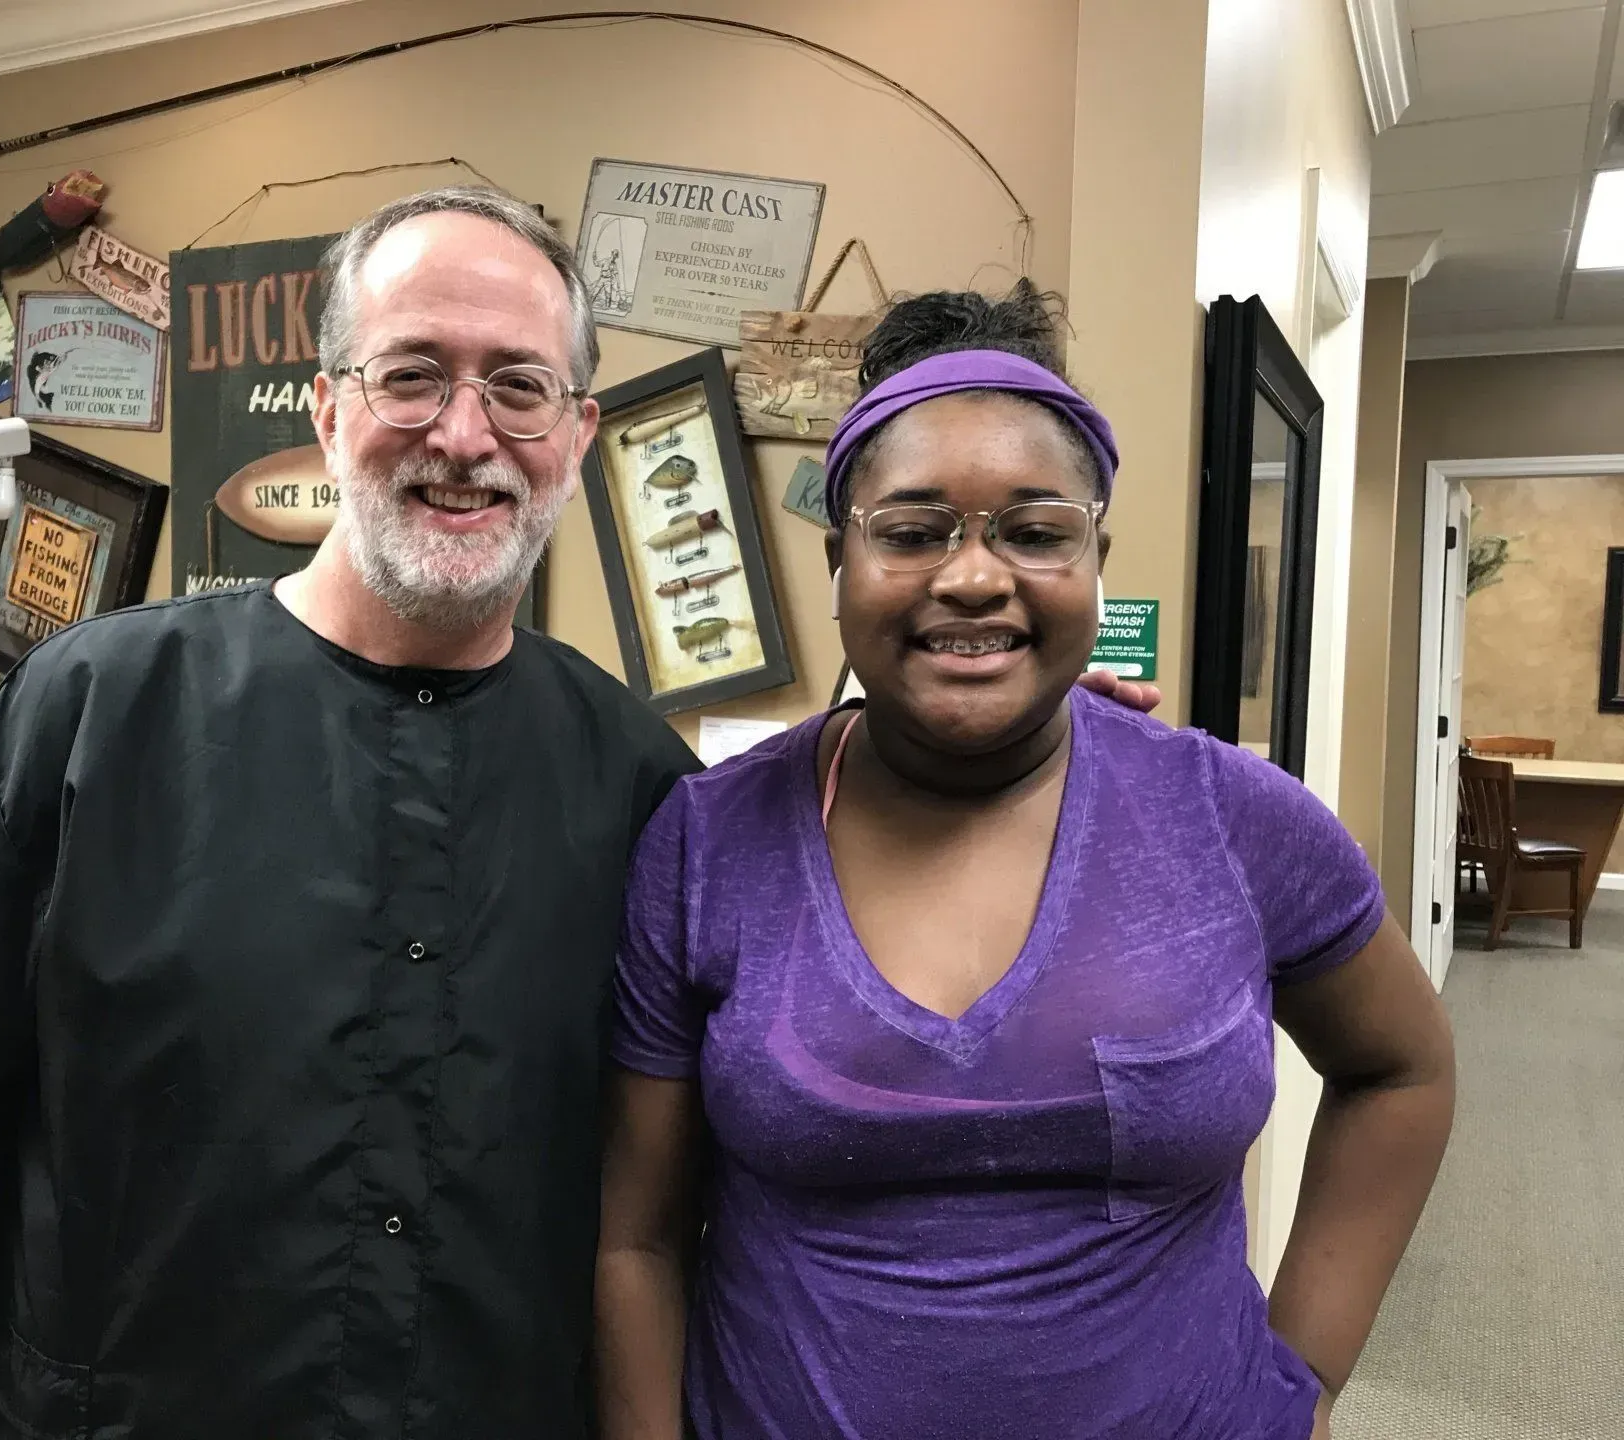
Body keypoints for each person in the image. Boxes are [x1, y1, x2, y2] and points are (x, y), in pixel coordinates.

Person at [0, 191, 1157, 1439]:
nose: (464, 435)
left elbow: (759, 1111)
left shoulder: (647, 793)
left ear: (577, 435)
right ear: (328, 408)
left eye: (518, 386)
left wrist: (1014, 721)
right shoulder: (90, 718)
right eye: (411, 375)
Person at [597, 286, 1457, 1440]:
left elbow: (1402, 1069)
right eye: (912, 532)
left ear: (1096, 558)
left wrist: (1304, 1379)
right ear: (839, 562)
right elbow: (639, 1239)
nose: (972, 577)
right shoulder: (707, 840)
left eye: (1036, 532)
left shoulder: (1235, 819)